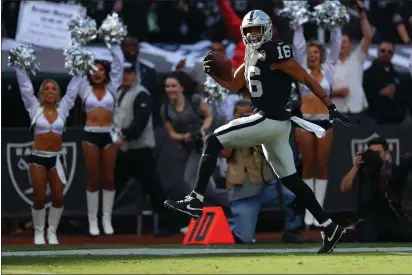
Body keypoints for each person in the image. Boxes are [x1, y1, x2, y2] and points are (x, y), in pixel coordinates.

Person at [164, 10, 351, 254]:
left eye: (256, 30)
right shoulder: (251, 57)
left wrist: (330, 105)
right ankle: (329, 226)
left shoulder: (275, 52)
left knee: (213, 140)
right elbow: (233, 84)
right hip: (274, 125)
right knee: (292, 180)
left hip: (270, 119)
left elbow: (305, 77)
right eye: (248, 30)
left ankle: (195, 200)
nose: (253, 35)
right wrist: (214, 74)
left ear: (268, 29)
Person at [222, 100, 306, 244]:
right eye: (239, 114)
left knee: (294, 192)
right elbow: (224, 151)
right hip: (244, 192)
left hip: (267, 187)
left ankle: (291, 230)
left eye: (247, 114)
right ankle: (231, 225)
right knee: (245, 238)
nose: (243, 117)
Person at [15, 68, 80, 244]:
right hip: (38, 158)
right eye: (47, 88)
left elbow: (73, 91)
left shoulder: (64, 108)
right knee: (39, 197)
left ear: (58, 93)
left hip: (57, 158)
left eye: (54, 89)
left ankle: (52, 232)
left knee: (59, 197)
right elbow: (25, 87)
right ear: (42, 92)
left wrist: (80, 69)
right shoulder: (34, 107)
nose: (50, 91)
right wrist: (20, 67)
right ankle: (38, 232)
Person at [113, 63, 177, 236]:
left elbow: (140, 123)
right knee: (113, 186)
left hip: (141, 150)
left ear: (135, 75)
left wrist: (124, 136)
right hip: (126, 150)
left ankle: (169, 223)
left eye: (129, 73)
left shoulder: (141, 94)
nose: (125, 76)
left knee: (154, 189)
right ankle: (102, 221)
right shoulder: (119, 93)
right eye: (123, 73)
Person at [293, 20, 342, 228]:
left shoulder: (329, 69)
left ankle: (319, 214)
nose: (312, 55)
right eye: (309, 52)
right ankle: (308, 214)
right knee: (307, 168)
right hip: (304, 121)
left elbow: (336, 43)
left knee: (321, 167)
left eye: (316, 52)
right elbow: (298, 44)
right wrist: (297, 22)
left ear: (321, 55)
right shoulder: (300, 69)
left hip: (324, 123)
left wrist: (335, 22)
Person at [75, 44, 124, 236]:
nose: (97, 73)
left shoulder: (113, 87)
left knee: (109, 179)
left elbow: (119, 63)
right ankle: (93, 221)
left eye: (101, 69)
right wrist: (81, 42)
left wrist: (112, 42)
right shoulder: (83, 88)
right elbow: (76, 65)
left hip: (109, 134)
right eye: (93, 70)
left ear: (106, 73)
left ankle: (107, 219)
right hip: (90, 134)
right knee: (94, 179)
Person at [340, 137, 412, 242]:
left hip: (390, 217)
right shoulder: (362, 170)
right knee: (369, 237)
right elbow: (344, 188)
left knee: (407, 235)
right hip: (368, 217)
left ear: (386, 154)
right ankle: (349, 233)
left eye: (377, 153)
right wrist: (355, 167)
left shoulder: (394, 170)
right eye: (371, 153)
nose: (374, 156)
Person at [161, 71, 213, 192]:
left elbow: (209, 116)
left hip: (203, 144)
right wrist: (184, 136)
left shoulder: (195, 100)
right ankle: (222, 204)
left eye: (173, 86)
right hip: (186, 145)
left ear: (182, 87)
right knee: (202, 184)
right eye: (167, 86)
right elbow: (171, 133)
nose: (170, 89)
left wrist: (203, 130)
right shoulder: (165, 108)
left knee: (189, 179)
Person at [332, 0, 374, 125]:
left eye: (345, 41)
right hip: (336, 112)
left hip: (357, 111)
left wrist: (362, 15)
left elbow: (368, 36)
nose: (342, 44)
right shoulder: (327, 63)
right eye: (340, 41)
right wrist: (335, 93)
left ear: (350, 45)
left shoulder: (358, 57)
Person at [363, 41, 409, 125]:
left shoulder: (398, 76)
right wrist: (380, 93)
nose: (386, 53)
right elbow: (363, 97)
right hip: (373, 120)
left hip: (396, 121)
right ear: (377, 52)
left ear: (393, 55)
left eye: (389, 52)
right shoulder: (367, 75)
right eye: (382, 50)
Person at [122, 36, 162, 127]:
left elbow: (156, 97)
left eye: (134, 46)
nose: (132, 48)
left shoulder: (149, 69)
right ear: (122, 48)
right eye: (128, 46)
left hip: (145, 113)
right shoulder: (115, 69)